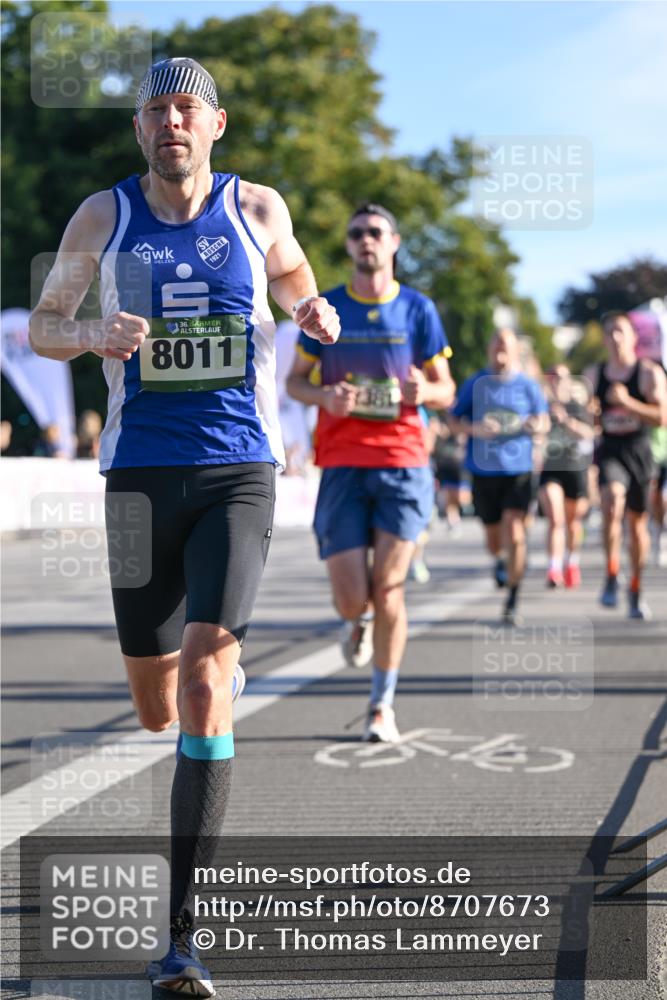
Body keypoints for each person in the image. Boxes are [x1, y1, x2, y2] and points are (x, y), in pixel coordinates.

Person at [29, 56, 340, 998]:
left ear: (215, 125)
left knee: (206, 686)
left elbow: (290, 275)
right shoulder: (101, 215)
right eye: (155, 109)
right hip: (136, 476)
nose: (171, 122)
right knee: (156, 705)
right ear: (139, 131)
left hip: (239, 468)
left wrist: (309, 308)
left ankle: (183, 937)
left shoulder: (257, 209)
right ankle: (203, 664)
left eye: (186, 109)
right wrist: (88, 336)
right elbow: (44, 324)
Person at [286, 202, 455, 742]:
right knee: (352, 598)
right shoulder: (328, 307)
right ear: (348, 243)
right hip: (340, 464)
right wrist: (325, 397)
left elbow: (446, 389)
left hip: (403, 462)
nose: (366, 240)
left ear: (395, 241)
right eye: (357, 233)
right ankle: (353, 622)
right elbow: (294, 383)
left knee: (390, 591)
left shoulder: (418, 309)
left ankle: (381, 705)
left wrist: (423, 391)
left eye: (376, 232)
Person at [449, 328, 549, 624]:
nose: (501, 349)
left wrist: (535, 426)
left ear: (517, 350)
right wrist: (475, 429)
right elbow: (453, 421)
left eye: (506, 344)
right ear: (489, 349)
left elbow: (544, 421)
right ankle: (500, 561)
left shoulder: (528, 386)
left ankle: (513, 599)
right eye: (496, 343)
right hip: (483, 471)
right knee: (494, 540)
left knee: (515, 531)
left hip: (518, 470)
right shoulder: (476, 382)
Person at [585, 312, 666, 618]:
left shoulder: (648, 373)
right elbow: (589, 419)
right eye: (610, 333)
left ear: (633, 337)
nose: (616, 338)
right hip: (611, 448)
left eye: (621, 331)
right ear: (605, 339)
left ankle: (635, 587)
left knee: (637, 524)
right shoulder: (595, 374)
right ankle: (611, 572)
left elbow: (661, 417)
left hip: (640, 449)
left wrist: (627, 402)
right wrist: (590, 412)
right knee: (611, 502)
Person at [538, 364, 595, 588]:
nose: (557, 381)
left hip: (575, 468)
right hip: (551, 470)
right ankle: (553, 568)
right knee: (556, 518)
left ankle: (571, 561)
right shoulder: (542, 407)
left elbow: (589, 434)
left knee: (573, 523)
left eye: (561, 377)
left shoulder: (576, 406)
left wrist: (566, 420)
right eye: (552, 377)